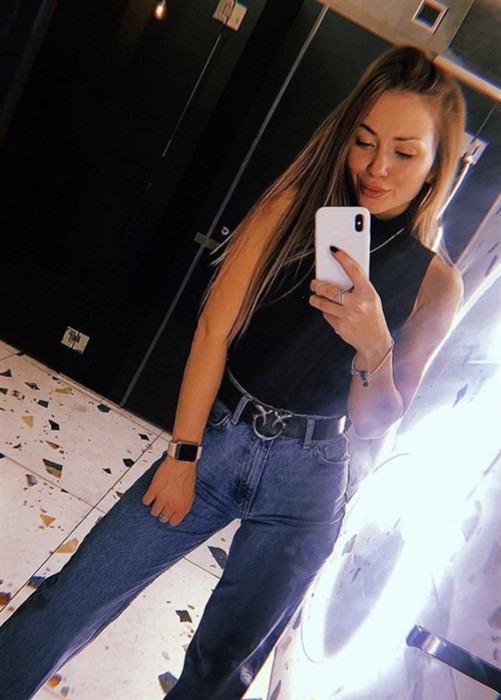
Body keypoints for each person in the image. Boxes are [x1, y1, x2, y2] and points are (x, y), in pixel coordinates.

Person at [0, 45, 466, 699]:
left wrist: (372, 347)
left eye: (404, 152)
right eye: (363, 142)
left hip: (311, 481)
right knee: (73, 598)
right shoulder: (291, 210)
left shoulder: (436, 285)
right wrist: (183, 455)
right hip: (221, 439)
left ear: (437, 164)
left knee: (219, 670)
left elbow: (377, 422)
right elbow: (212, 332)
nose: (376, 168)